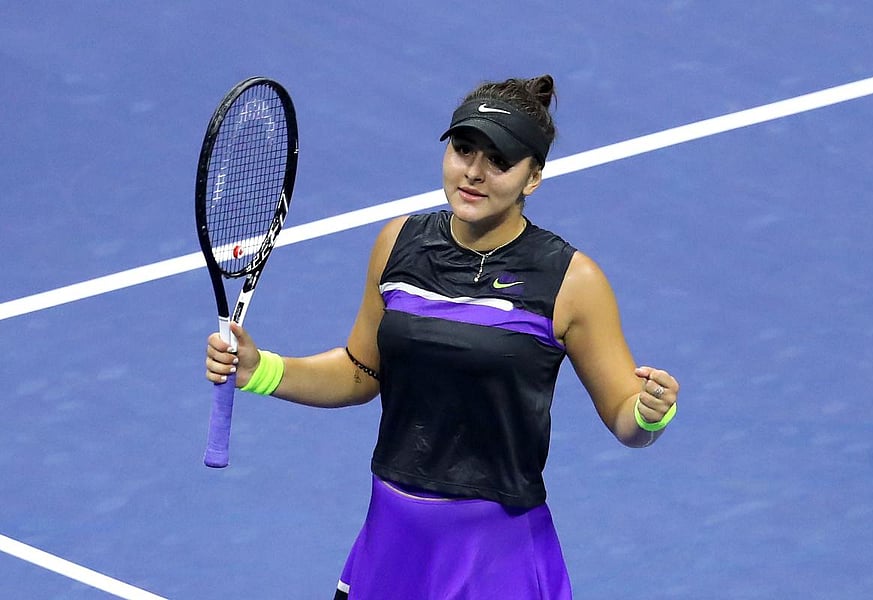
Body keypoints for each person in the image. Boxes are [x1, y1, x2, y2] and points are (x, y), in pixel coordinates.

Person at [205, 74, 680, 599]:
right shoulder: (398, 243)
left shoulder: (572, 281)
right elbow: (361, 372)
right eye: (463, 149)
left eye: (499, 161)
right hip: (393, 539)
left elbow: (625, 418)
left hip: (495, 555)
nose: (473, 173)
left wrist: (648, 413)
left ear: (533, 178)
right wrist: (261, 370)